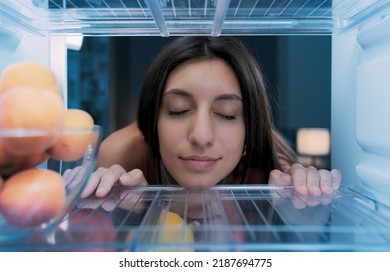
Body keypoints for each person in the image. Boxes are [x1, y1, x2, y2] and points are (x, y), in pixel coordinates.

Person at [81, 36, 341, 199]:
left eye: (227, 115)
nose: (201, 136)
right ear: (152, 119)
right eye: (178, 110)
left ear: (250, 128)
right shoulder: (122, 152)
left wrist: (308, 211)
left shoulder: (270, 165)